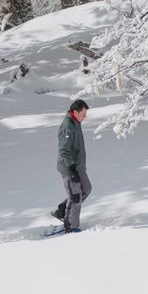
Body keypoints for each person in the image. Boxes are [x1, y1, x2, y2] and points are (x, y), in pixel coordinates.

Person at [51, 99, 91, 232]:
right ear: (75, 112)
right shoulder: (67, 126)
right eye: (83, 113)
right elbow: (64, 150)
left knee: (86, 188)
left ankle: (62, 210)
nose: (85, 116)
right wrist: (72, 168)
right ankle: (71, 226)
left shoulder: (76, 121)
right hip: (69, 168)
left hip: (78, 166)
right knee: (75, 197)